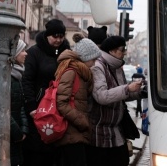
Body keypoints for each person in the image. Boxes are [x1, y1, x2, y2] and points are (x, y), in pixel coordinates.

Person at [87, 35, 145, 166]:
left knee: (122, 160)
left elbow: (123, 94)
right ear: (112, 51)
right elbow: (102, 96)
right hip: (99, 135)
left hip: (117, 132)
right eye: (122, 49)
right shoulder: (98, 66)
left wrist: (139, 92)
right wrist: (127, 88)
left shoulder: (117, 67)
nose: (124, 52)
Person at [22, 19, 70, 166]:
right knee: (38, 151)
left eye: (61, 36)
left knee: (57, 152)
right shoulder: (34, 53)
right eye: (55, 36)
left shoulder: (66, 53)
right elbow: (27, 80)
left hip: (59, 109)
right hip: (39, 109)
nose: (58, 40)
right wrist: (31, 107)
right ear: (47, 35)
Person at [55, 33, 102, 166]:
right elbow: (61, 102)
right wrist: (82, 121)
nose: (94, 63)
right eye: (93, 60)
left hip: (76, 134)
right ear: (84, 58)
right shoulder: (71, 72)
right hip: (70, 134)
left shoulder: (82, 73)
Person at [10, 39, 29, 166]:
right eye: (22, 50)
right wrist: (18, 133)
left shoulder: (17, 75)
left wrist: (24, 129)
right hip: (9, 137)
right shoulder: (8, 77)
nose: (26, 53)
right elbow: (2, 110)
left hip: (15, 136)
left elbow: (21, 105)